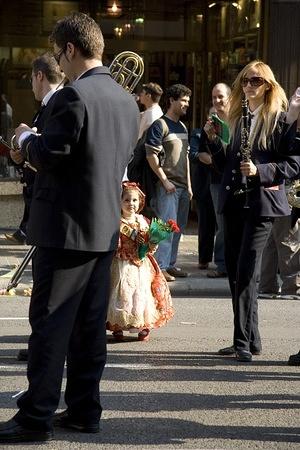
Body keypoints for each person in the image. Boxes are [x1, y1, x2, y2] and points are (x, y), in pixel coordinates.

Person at [0, 12, 140, 444]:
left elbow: (50, 154)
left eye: (60, 53)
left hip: (64, 231)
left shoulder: (72, 97)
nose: (60, 60)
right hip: (101, 230)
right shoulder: (123, 99)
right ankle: (83, 409)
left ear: (71, 50)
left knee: (50, 326)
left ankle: (35, 416)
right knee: (87, 329)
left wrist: (25, 140)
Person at [204, 61, 300, 362]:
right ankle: (250, 339)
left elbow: (294, 164)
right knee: (234, 271)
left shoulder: (281, 121)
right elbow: (226, 167)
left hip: (262, 204)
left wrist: (261, 170)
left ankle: (241, 342)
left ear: (268, 85)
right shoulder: (238, 119)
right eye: (245, 81)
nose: (248, 86)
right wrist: (215, 142)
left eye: (256, 81)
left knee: (246, 270)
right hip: (234, 202)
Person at [5, 53, 64, 246]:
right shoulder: (48, 105)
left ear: (39, 76)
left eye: (31, 78)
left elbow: (54, 152)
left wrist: (26, 136)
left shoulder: (61, 102)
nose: (31, 85)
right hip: (41, 194)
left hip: (54, 203)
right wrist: (22, 154)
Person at [106, 182, 174, 342]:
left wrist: (153, 243)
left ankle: (143, 325)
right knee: (121, 294)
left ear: (140, 202)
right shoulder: (116, 221)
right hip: (121, 262)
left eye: (134, 200)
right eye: (127, 200)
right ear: (120, 202)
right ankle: (117, 325)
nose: (131, 204)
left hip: (141, 264)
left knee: (141, 294)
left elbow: (149, 245)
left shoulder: (143, 221)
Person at [145, 84, 192, 282]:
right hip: (168, 186)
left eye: (188, 101)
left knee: (177, 228)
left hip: (181, 186)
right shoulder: (160, 125)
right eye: (183, 100)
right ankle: (159, 267)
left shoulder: (182, 126)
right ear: (171, 100)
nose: (186, 104)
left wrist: (189, 186)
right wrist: (164, 181)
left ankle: (170, 264)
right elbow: (151, 155)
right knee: (164, 227)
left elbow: (186, 158)